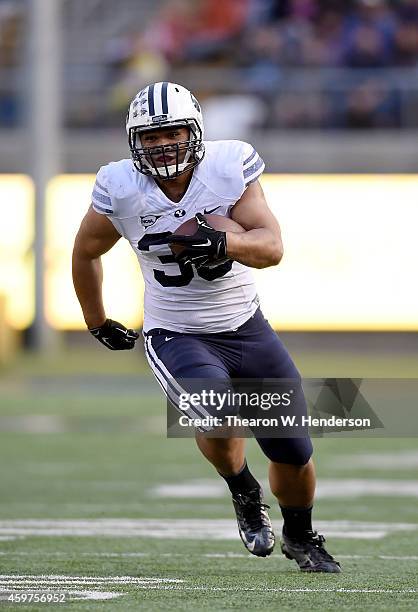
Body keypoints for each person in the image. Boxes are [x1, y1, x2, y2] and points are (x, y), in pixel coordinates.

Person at [72, 81, 341, 573]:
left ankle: (301, 534)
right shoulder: (120, 186)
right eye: (150, 138)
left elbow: (271, 247)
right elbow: (86, 250)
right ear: (134, 142)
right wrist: (95, 320)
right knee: (213, 409)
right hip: (177, 331)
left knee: (293, 448)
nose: (162, 145)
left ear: (195, 131)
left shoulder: (228, 166)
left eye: (172, 132)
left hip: (246, 326)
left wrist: (221, 242)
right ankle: (243, 489)